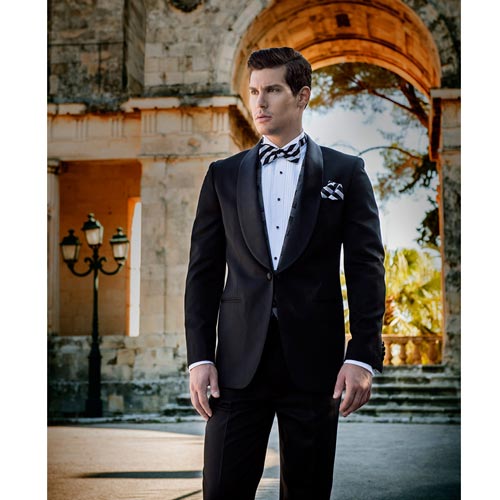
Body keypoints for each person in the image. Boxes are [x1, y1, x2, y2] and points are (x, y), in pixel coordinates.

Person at [184, 46, 386, 500]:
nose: (260, 102)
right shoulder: (221, 175)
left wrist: (361, 355)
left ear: (302, 96)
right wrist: (199, 357)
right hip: (236, 366)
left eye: (272, 90)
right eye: (254, 91)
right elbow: (203, 273)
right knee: (222, 490)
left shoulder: (345, 172)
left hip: (316, 365)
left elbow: (366, 268)